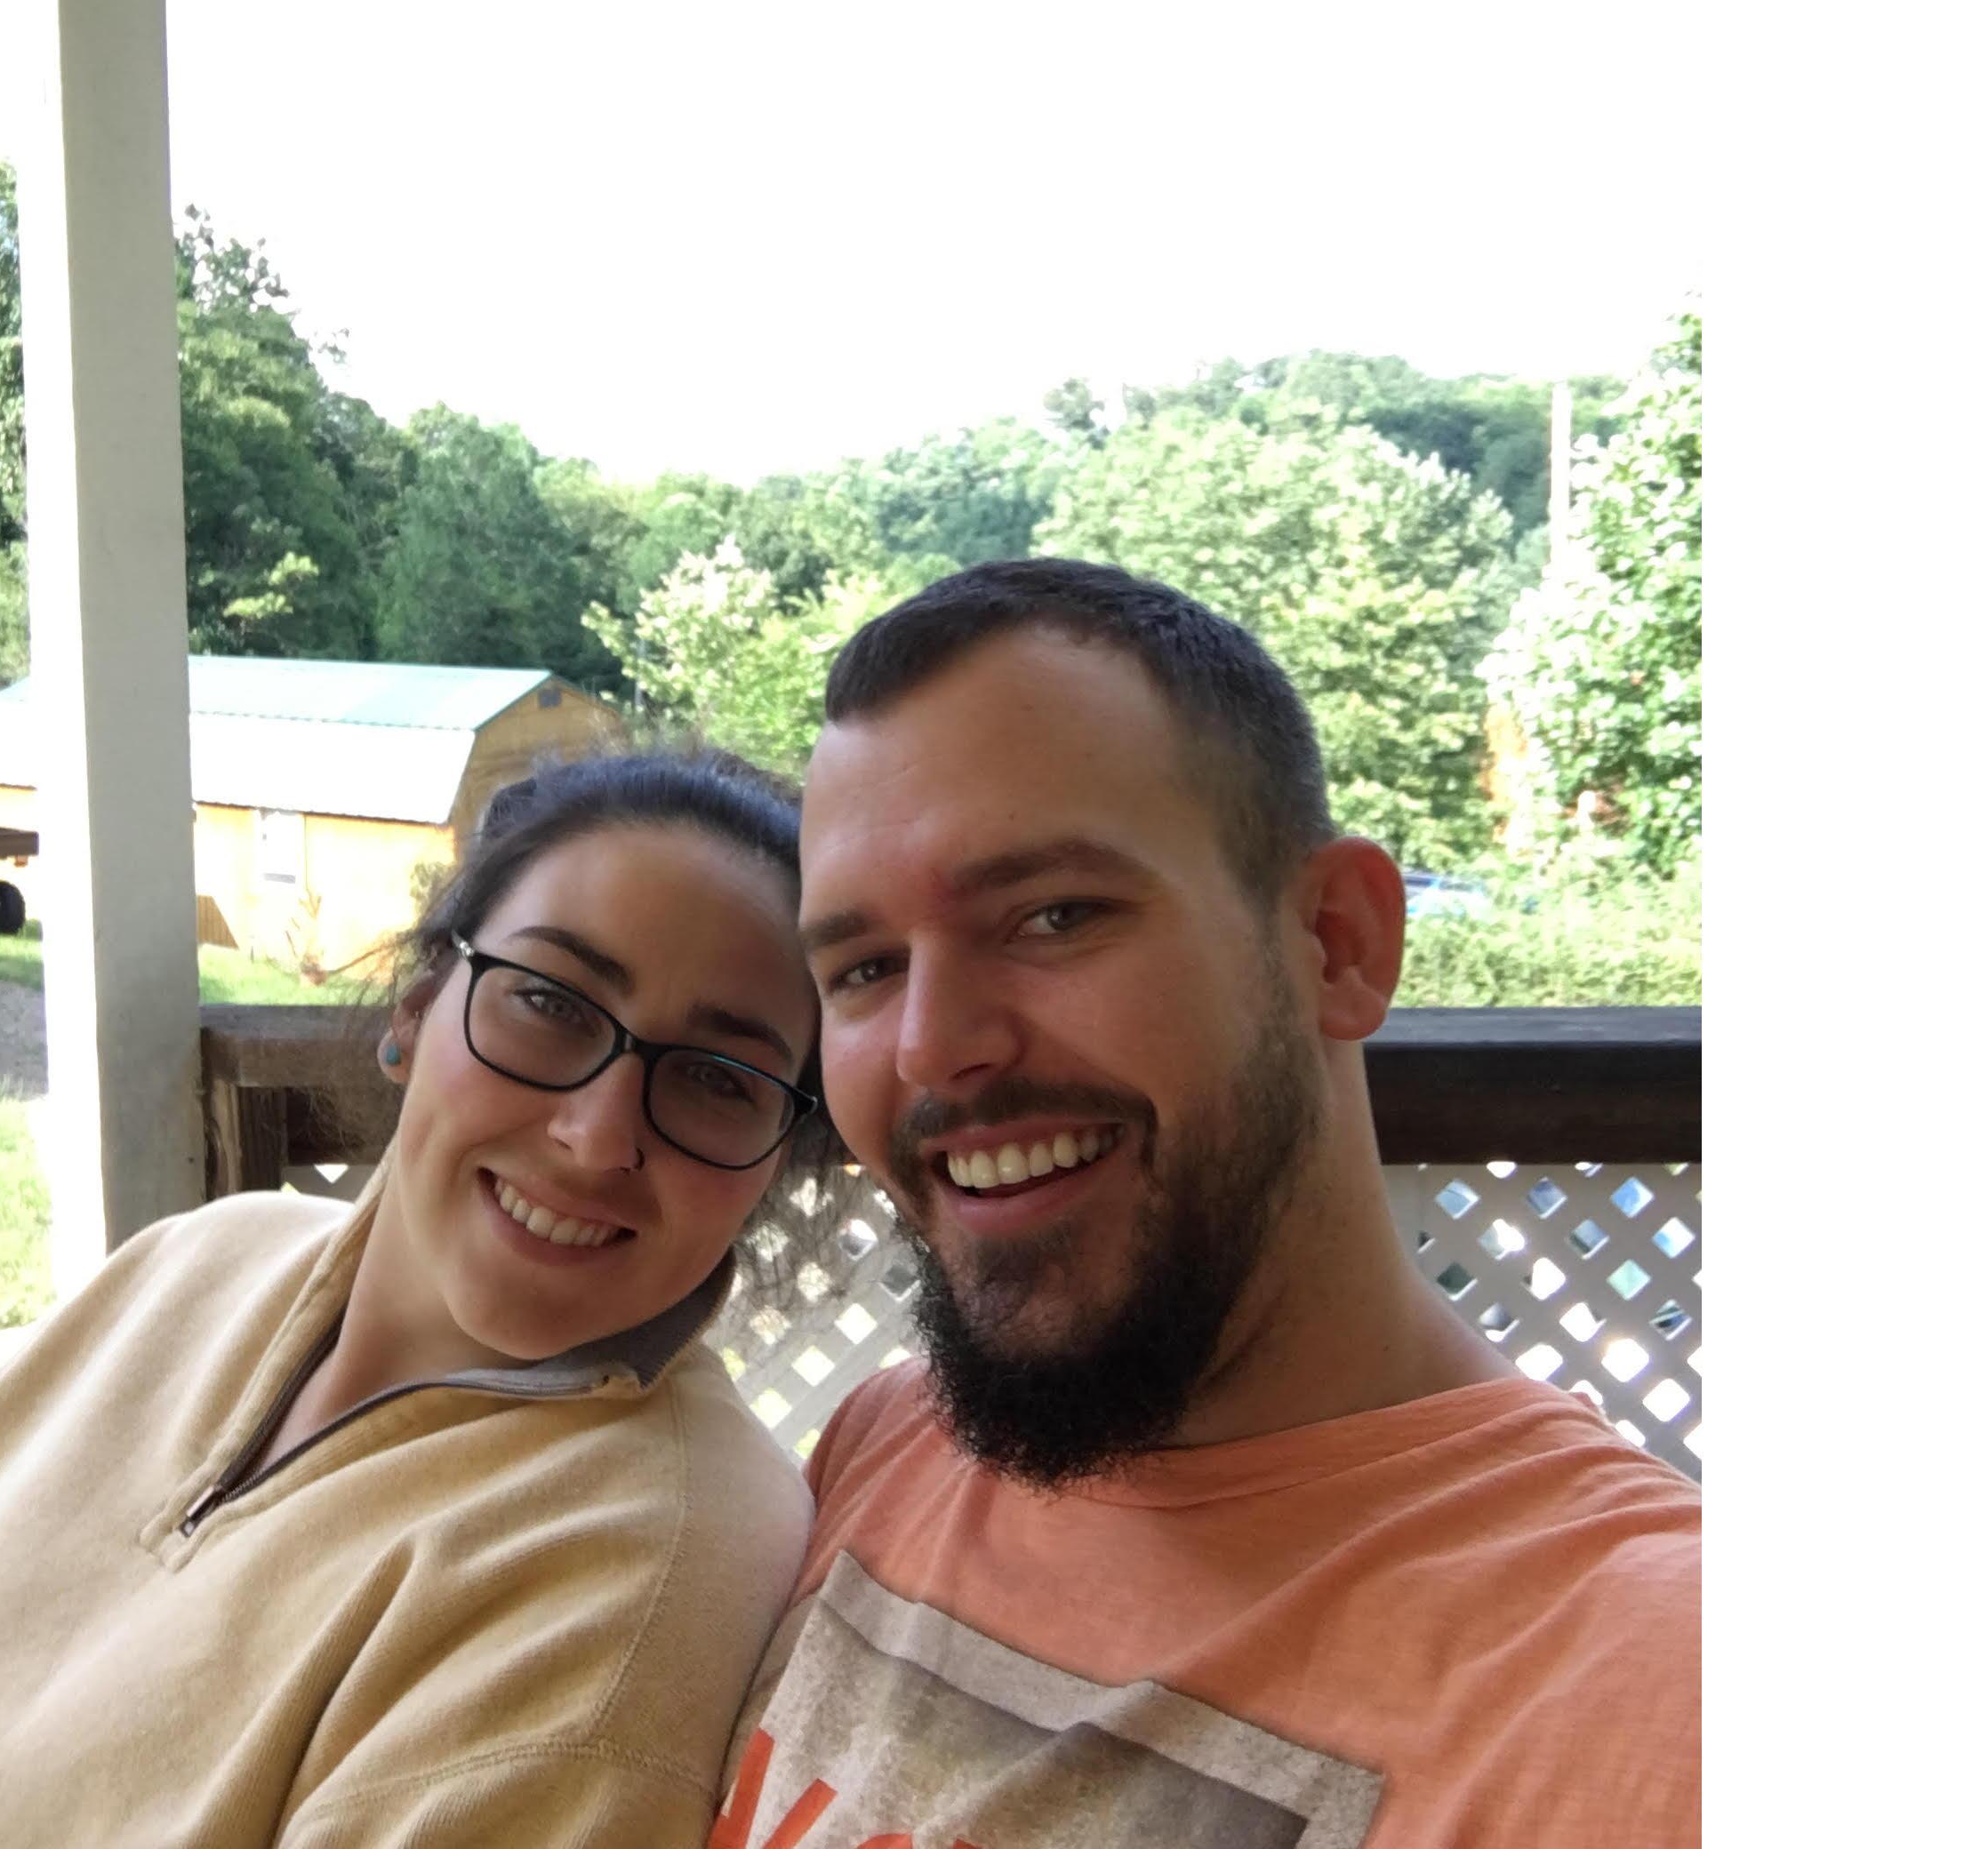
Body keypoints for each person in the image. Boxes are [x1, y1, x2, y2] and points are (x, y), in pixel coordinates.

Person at [714, 560, 1700, 1849]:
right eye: (863, 967)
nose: (928, 1047)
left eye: (1052, 915)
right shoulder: (885, 1447)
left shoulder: (1664, 1691)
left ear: (1336, 944)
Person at [0, 750, 836, 1849]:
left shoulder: (639, 1564)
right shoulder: (197, 1260)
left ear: (777, 1159)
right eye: (547, 1001)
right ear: (415, 1004)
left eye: (718, 1078)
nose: (595, 1135)